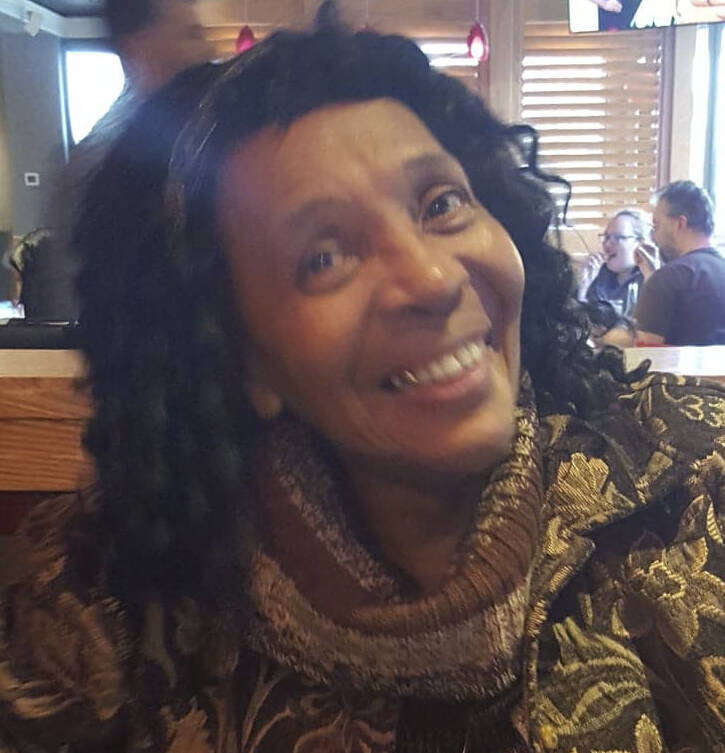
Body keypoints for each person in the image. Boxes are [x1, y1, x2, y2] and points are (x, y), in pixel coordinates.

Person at [0, 21, 723, 753]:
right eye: (323, 257)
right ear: (244, 361)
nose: (432, 279)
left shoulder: (698, 493)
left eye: (440, 204)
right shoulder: (104, 608)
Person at [43, 0, 214, 321]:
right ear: (141, 46)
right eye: (192, 34)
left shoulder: (191, 137)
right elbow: (83, 303)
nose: (207, 51)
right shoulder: (101, 164)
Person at [635, 180, 725, 345]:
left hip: (679, 363)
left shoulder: (667, 279)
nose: (653, 237)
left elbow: (643, 349)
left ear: (680, 224)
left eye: (656, 226)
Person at [578, 208, 655, 318]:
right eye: (606, 237)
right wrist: (583, 287)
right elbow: (579, 321)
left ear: (640, 243)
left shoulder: (651, 279)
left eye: (617, 238)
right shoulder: (596, 277)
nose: (607, 245)